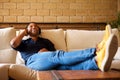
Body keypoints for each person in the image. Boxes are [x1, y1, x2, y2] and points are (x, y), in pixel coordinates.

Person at [10, 22, 118, 72]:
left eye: (36, 26)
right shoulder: (24, 42)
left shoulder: (46, 41)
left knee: (67, 66)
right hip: (33, 62)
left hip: (49, 61)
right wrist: (24, 32)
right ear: (27, 30)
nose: (34, 27)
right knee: (57, 56)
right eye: (31, 26)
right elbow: (13, 44)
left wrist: (46, 52)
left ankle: (96, 62)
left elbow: (55, 56)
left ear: (39, 30)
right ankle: (97, 50)